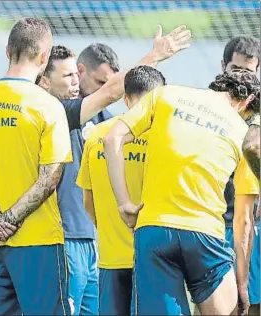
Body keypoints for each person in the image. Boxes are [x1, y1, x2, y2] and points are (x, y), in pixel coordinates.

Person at [38, 25, 191, 315]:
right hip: (65, 238)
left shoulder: (107, 125)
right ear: (44, 81)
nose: (74, 81)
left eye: (74, 74)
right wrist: (154, 55)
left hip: (94, 245)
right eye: (68, 75)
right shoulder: (55, 112)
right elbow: (111, 92)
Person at [103, 69, 260, 315]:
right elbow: (244, 221)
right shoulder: (242, 131)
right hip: (205, 236)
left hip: (154, 231)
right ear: (247, 101)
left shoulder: (165, 94)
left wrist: (124, 203)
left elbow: (112, 138)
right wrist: (242, 284)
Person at [0, 18, 73, 315]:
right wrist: (7, 223)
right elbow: (50, 179)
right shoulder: (47, 106)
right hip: (39, 243)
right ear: (45, 57)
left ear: (8, 51)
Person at [77, 65, 166, 316]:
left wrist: (109, 230)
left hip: (111, 259)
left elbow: (88, 201)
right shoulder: (164, 137)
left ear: (126, 99)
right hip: (157, 261)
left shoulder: (97, 135)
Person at [220, 35, 260, 316]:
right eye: (236, 70)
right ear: (223, 66)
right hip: (217, 223)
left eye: (250, 72)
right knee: (220, 305)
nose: (242, 78)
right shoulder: (209, 105)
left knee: (254, 303)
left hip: (253, 223)